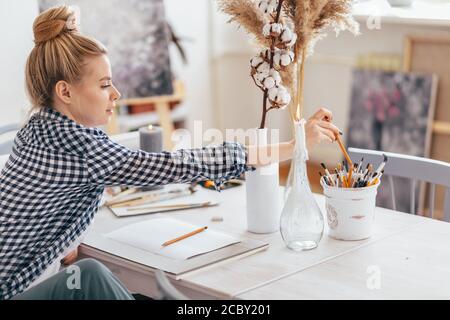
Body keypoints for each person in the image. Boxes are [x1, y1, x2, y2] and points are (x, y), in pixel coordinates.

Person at [0, 6, 340, 300]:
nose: (116, 93)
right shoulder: (83, 147)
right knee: (91, 275)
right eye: (104, 85)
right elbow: (178, 165)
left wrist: (59, 241)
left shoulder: (37, 128)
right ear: (65, 92)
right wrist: (295, 146)